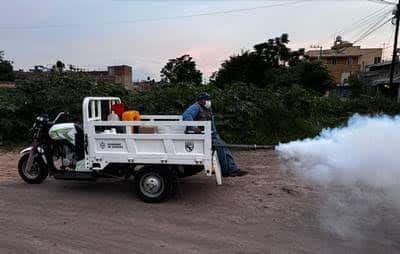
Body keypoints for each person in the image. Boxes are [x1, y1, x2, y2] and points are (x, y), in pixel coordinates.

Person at [182, 92, 248, 177]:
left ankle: (232, 169)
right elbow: (186, 115)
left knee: (223, 147)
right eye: (206, 100)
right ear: (201, 100)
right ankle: (229, 170)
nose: (208, 101)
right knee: (221, 147)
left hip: (210, 135)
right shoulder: (196, 107)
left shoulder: (207, 109)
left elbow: (211, 124)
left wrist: (216, 135)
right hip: (201, 136)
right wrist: (194, 127)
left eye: (209, 100)